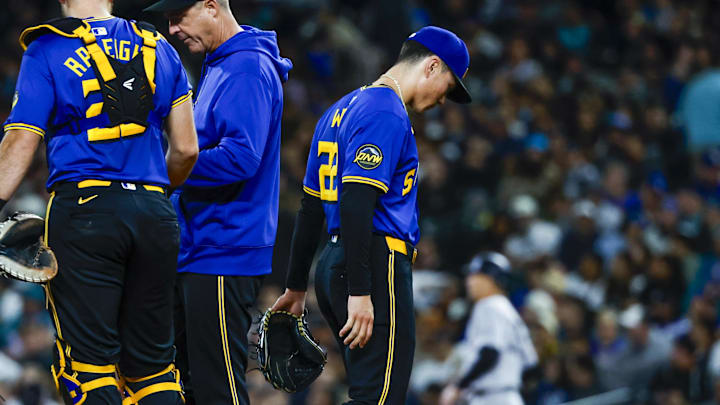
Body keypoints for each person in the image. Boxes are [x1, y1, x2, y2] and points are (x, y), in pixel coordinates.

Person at [0, 0, 199, 403]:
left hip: (84, 211)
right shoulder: (159, 45)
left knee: (87, 369)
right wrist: (151, 195)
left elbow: (22, 139)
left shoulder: (48, 47)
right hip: (155, 213)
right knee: (155, 371)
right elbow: (186, 150)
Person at [271, 26, 472, 404]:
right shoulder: (386, 111)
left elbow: (311, 209)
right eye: (449, 87)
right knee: (380, 397)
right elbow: (356, 202)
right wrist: (362, 292)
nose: (445, 100)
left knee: (368, 392)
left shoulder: (337, 110)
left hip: (334, 262)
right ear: (431, 66)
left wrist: (296, 287)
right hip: (373, 263)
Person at [143, 0, 292, 404]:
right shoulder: (220, 62)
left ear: (211, 6)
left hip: (225, 248)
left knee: (217, 389)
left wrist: (164, 168)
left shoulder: (245, 66)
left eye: (179, 17)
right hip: (203, 245)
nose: (172, 29)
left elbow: (241, 156)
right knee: (189, 383)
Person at [440, 252, 538, 405]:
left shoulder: (489, 305)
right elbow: (531, 365)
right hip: (506, 396)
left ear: (492, 279)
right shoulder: (506, 309)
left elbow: (490, 353)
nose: (469, 281)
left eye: (476, 276)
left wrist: (458, 386)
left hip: (492, 398)